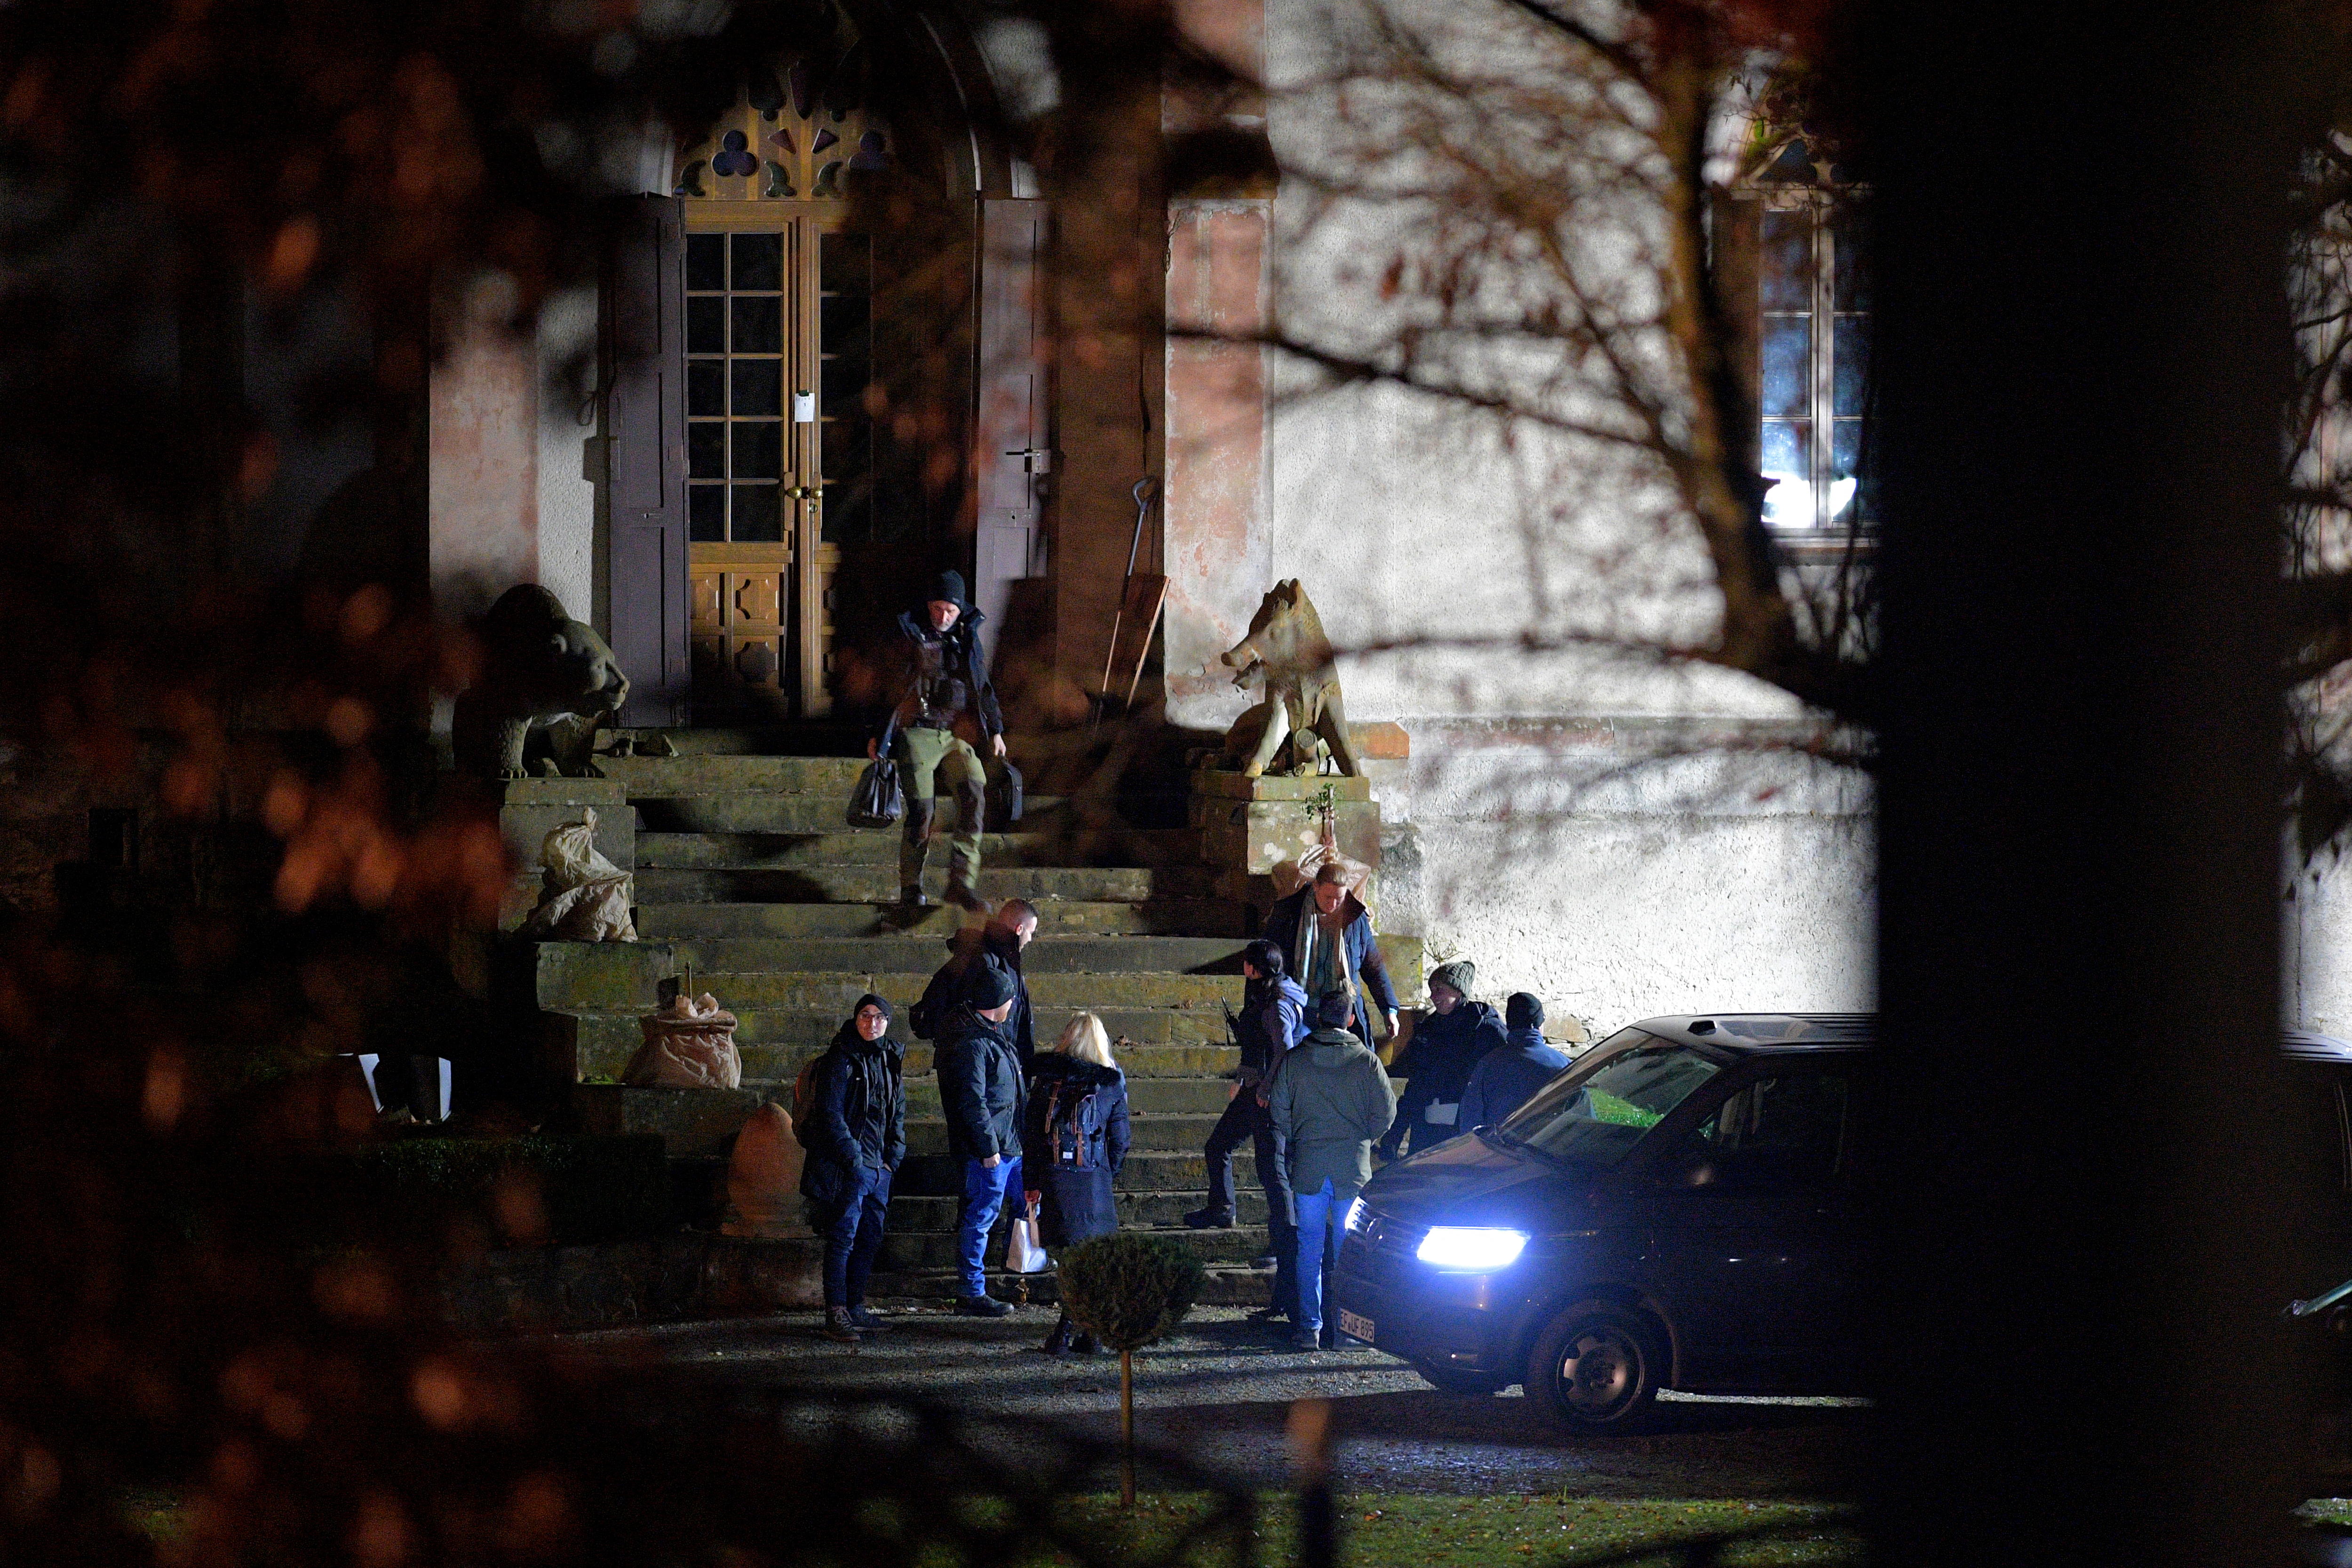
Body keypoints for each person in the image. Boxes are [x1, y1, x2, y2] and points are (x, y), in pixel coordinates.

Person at [1183, 939, 1310, 1324]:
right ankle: (1223, 1208)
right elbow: (1255, 1050)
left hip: (1266, 1099)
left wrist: (1267, 1089)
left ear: (1257, 967)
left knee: (1274, 1174)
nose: (1243, 968)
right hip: (1253, 1091)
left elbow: (1283, 1050)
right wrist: (1244, 1079)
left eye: (1248, 963)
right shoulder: (1260, 993)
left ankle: (1284, 1241)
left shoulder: (1277, 1003)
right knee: (1218, 1145)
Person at [1268, 988, 1398, 1352]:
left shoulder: (1296, 1060)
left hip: (1309, 1167)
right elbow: (1387, 1115)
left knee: (1308, 1248)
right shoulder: (1367, 1062)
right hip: (1352, 1170)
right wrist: (1364, 1138)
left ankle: (1310, 1328)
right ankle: (1348, 1331)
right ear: (1351, 1019)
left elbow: (1278, 1109)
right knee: (1348, 1253)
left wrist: (1300, 1135)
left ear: (1318, 1018)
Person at [869, 569, 1007, 910]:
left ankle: (961, 881)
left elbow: (982, 685)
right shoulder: (909, 633)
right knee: (922, 811)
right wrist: (877, 734)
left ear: (961, 610)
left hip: (955, 733)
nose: (943, 617)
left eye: (951, 610)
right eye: (938, 608)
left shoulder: (968, 637)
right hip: (917, 731)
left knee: (975, 790)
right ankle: (911, 887)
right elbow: (887, 684)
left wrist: (997, 729)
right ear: (929, 605)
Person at [798, 994, 907, 1344]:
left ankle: (856, 1307)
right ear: (855, 1017)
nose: (871, 1023)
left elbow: (897, 1113)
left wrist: (893, 1158)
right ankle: (837, 1312)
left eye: (879, 1017)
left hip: (879, 1168)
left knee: (870, 1237)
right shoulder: (841, 1058)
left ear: (888, 1022)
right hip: (853, 1167)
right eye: (865, 1015)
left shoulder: (890, 1058)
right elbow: (831, 1114)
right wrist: (855, 1161)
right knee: (843, 1237)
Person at [1022, 1013, 1132, 1355]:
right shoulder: (1110, 1084)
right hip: (1093, 1181)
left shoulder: (1046, 1081)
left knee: (1070, 1262)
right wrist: (1106, 1173)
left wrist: (1033, 1181)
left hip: (1057, 1181)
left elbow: (1032, 1136)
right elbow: (1121, 1139)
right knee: (1092, 1263)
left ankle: (1068, 1333)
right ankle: (1085, 1334)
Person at [935, 955, 1026, 1316]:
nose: (1013, 1004)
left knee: (1022, 1207)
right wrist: (989, 1150)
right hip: (992, 1151)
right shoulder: (975, 1045)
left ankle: (1018, 1270)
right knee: (981, 1216)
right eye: (1008, 999)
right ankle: (971, 1290)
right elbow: (973, 1102)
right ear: (995, 1004)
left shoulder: (991, 1035)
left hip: (1009, 1146)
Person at [1375, 959, 1506, 1161]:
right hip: (1425, 1129)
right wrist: (1395, 1134)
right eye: (1432, 989)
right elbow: (1415, 1082)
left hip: (1463, 1133)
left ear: (1459, 991)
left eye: (1439, 989)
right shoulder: (1429, 1028)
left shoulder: (1485, 1029)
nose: (1433, 996)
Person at [1261, 863, 1400, 1050]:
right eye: (1328, 897)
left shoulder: (1355, 918)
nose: (1333, 904)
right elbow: (1266, 962)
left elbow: (1373, 966)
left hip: (1341, 1007)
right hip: (1301, 1004)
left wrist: (1389, 1009)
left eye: (1339, 898)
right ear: (1316, 887)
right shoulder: (1289, 913)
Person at [1457, 993, 1571, 1132]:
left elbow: (1470, 1120)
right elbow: (1581, 1115)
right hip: (1548, 1148)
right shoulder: (1565, 1065)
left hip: (1500, 1149)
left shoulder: (1488, 1064)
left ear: (1509, 1026)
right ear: (1540, 1025)